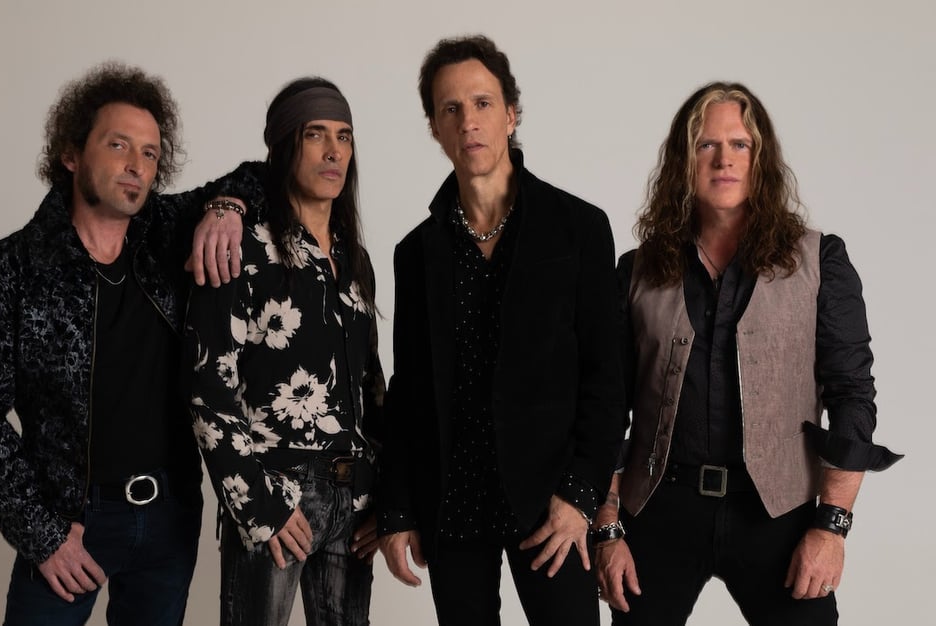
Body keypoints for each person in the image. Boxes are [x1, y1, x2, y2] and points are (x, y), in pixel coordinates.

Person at [596, 81, 902, 626]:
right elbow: (604, 405)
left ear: (762, 159)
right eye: (706, 145)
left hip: (777, 515)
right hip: (660, 509)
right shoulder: (637, 271)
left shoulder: (820, 262)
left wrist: (831, 527)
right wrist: (608, 525)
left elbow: (851, 394)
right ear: (683, 161)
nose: (725, 160)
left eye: (740, 144)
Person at [0, 61, 249, 625]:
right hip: (68, 519)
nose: (137, 165)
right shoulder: (10, 267)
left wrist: (225, 208)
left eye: (150, 153)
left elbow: (257, 176)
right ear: (71, 154)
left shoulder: (167, 235)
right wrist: (41, 534)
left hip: (168, 516)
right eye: (119, 145)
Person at [376, 35, 627, 625]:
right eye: (451, 108)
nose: (468, 121)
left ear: (511, 114)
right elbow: (408, 391)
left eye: (483, 103)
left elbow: (606, 378)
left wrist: (580, 496)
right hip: (453, 501)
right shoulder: (417, 251)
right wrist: (397, 508)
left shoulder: (579, 228)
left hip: (552, 503)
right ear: (435, 129)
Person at [184, 77, 384, 626]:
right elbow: (207, 385)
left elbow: (371, 385)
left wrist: (385, 496)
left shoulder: (355, 260)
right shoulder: (242, 246)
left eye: (344, 136)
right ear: (283, 145)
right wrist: (257, 504)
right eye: (315, 134)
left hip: (354, 497)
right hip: (278, 487)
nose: (333, 151)